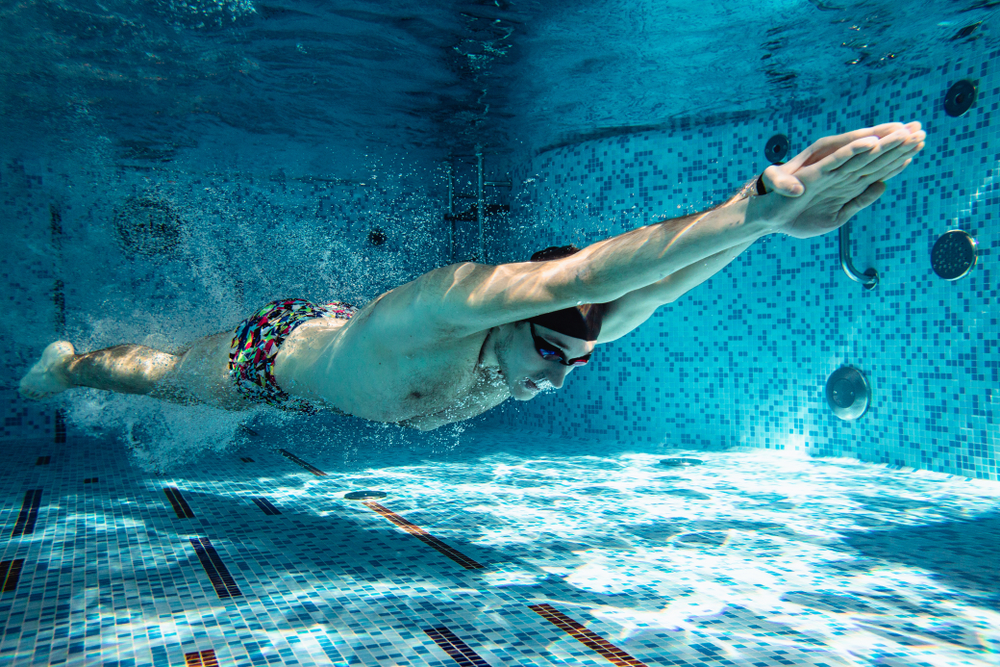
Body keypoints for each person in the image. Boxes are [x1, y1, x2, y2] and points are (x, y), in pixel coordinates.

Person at [19, 122, 925, 430]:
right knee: (163, 380)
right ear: (510, 317)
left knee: (615, 302)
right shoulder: (453, 304)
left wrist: (764, 222)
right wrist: (746, 212)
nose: (562, 372)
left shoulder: (545, 345)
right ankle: (71, 363)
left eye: (574, 358)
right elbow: (586, 272)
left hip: (335, 371)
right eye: (554, 350)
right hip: (279, 351)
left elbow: (651, 284)